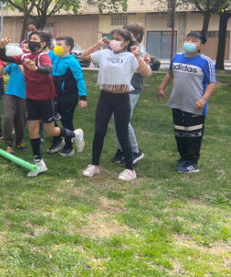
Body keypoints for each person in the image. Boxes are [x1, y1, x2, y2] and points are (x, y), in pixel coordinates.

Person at [0, 31, 85, 177]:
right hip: (31, 99)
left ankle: (75, 134)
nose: (30, 41)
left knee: (51, 131)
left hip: (46, 100)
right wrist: (2, 47)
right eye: (30, 38)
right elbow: (4, 58)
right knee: (32, 129)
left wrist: (35, 68)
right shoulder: (25, 56)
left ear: (43, 44)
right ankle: (39, 164)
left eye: (34, 39)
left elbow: (48, 69)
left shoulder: (43, 56)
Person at [80, 29, 152, 181]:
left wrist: (138, 55)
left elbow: (147, 73)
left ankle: (130, 170)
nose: (114, 41)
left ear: (126, 42)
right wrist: (98, 44)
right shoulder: (105, 54)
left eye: (118, 39)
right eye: (112, 38)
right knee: (99, 131)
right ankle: (94, 165)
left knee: (122, 133)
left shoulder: (130, 57)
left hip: (122, 98)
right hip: (105, 96)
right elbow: (83, 56)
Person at [158, 31, 217, 173]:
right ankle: (183, 158)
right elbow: (170, 74)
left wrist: (204, 99)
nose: (189, 43)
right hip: (177, 102)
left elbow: (212, 83)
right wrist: (161, 88)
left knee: (193, 134)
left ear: (201, 45)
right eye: (188, 39)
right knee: (180, 132)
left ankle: (192, 162)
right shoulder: (177, 57)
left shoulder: (205, 61)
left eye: (194, 41)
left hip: (195, 104)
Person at [110, 23, 149, 165]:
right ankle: (122, 148)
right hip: (119, 88)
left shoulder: (139, 50)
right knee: (116, 120)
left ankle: (134, 151)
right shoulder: (124, 49)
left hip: (131, 88)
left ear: (136, 35)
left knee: (123, 120)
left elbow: (141, 69)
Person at [48, 36, 88, 157]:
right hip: (54, 95)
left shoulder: (72, 62)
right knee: (50, 118)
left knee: (66, 121)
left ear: (68, 47)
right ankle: (57, 141)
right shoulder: (54, 58)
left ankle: (69, 147)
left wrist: (83, 97)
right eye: (56, 44)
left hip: (68, 97)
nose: (56, 47)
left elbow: (80, 79)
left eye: (60, 44)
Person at [0, 48, 27, 153]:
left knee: (21, 120)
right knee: (8, 118)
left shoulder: (31, 64)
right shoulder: (12, 65)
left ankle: (19, 141)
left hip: (24, 96)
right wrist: (5, 64)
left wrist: (20, 63)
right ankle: (9, 143)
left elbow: (27, 76)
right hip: (10, 94)